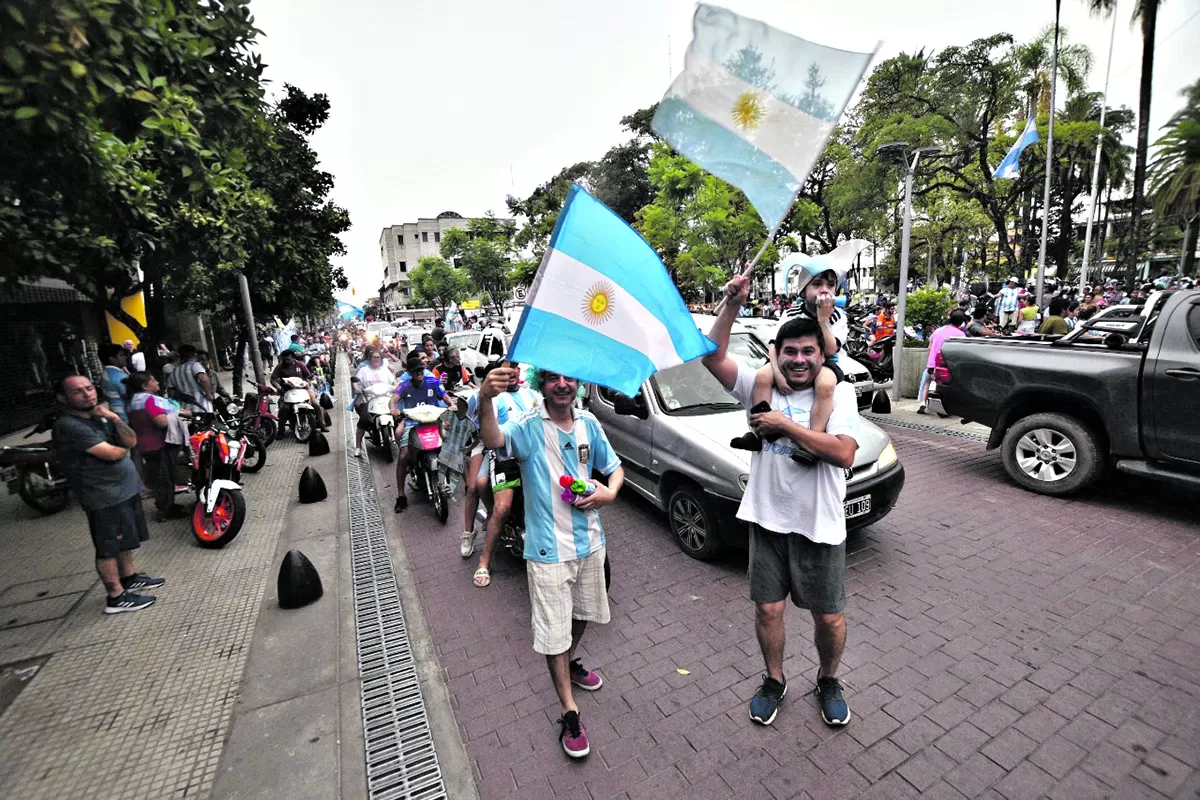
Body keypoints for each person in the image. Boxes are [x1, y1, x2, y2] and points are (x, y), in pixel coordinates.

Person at [700, 274, 860, 730]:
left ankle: (828, 680)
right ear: (777, 354)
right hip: (768, 519)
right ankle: (774, 679)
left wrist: (784, 426)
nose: (799, 359)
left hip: (819, 524)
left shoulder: (839, 393)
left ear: (822, 355)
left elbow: (843, 453)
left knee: (829, 618)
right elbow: (712, 357)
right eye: (790, 351)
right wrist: (731, 304)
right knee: (768, 609)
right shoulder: (759, 384)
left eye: (808, 351)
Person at [477, 365, 624, 760]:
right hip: (546, 552)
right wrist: (486, 398)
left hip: (590, 543)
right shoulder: (528, 426)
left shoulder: (589, 423)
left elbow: (614, 469)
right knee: (553, 633)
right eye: (553, 378)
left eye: (569, 378)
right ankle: (568, 710)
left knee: (584, 615)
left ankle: (569, 661)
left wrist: (609, 493)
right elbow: (494, 439)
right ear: (541, 383)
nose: (562, 384)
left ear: (578, 384)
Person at [54, 374, 166, 614]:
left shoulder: (101, 417)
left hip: (123, 490)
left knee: (124, 540)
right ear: (63, 398)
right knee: (108, 547)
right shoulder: (69, 425)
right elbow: (113, 453)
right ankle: (115, 596)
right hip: (102, 496)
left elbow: (131, 440)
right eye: (77, 392)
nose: (87, 394)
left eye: (89, 388)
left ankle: (129, 577)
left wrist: (114, 418)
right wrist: (123, 448)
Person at [733, 265, 845, 465]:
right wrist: (777, 372)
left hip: (824, 362)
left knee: (825, 385)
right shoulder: (791, 313)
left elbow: (830, 350)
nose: (824, 290)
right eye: (817, 284)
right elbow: (774, 345)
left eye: (830, 285)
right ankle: (758, 432)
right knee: (762, 376)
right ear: (802, 290)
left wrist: (823, 320)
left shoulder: (837, 315)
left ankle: (811, 444)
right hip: (787, 359)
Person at [469, 360, 538, 586]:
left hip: (533, 458)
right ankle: (484, 560)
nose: (512, 372)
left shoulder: (532, 394)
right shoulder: (494, 399)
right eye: (507, 368)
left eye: (516, 367)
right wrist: (484, 396)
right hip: (505, 458)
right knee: (501, 509)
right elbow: (489, 435)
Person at [389, 352, 454, 513]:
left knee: (451, 447)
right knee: (403, 455)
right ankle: (401, 496)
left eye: (421, 369)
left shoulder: (433, 381)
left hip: (434, 421)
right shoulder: (404, 385)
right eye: (415, 371)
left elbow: (445, 396)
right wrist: (393, 409)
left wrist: (452, 405)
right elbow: (393, 400)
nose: (419, 373)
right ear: (410, 372)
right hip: (413, 423)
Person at [126, 372, 190, 521]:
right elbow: (161, 421)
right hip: (158, 443)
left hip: (144, 445)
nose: (157, 382)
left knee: (160, 477)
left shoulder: (132, 401)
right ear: (145, 386)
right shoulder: (149, 400)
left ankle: (168, 505)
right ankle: (164, 511)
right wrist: (179, 414)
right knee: (164, 478)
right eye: (153, 380)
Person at [918, 309, 967, 414]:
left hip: (931, 364)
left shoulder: (938, 330)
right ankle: (943, 408)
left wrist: (931, 360)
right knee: (946, 386)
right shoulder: (960, 334)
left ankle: (922, 403)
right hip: (946, 366)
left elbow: (929, 347)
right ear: (961, 322)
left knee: (927, 382)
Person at [351, 349, 395, 458]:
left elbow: (394, 382)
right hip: (369, 399)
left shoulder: (385, 370)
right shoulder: (363, 370)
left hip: (385, 398)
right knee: (363, 420)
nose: (376, 359)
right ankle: (358, 447)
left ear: (381, 359)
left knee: (399, 415)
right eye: (374, 357)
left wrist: (398, 386)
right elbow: (356, 382)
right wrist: (357, 388)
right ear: (369, 359)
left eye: (378, 357)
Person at [168, 344, 213, 413]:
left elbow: (171, 392)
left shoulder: (174, 371)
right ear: (194, 354)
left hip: (185, 409)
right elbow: (203, 378)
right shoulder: (195, 365)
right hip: (201, 406)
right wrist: (209, 394)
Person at [99, 343, 130, 422]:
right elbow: (130, 396)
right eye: (121, 355)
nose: (125, 357)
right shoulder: (119, 376)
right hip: (124, 416)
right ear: (112, 359)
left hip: (114, 413)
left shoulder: (105, 373)